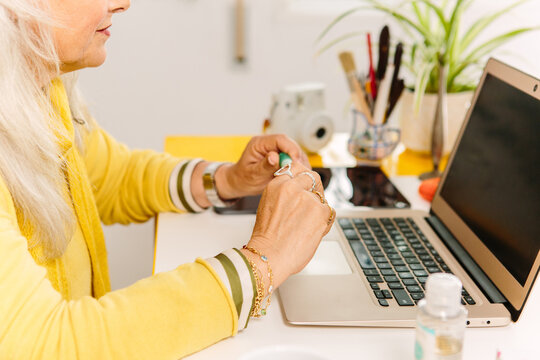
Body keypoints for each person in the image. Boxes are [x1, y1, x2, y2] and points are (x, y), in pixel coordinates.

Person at [0, 0, 335, 358]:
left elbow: (110, 178)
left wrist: (225, 180)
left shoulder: (37, 90)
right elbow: (46, 345)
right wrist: (261, 264)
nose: (122, 4)